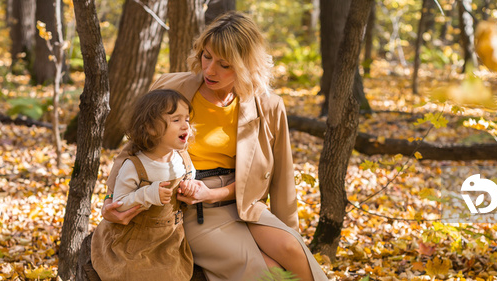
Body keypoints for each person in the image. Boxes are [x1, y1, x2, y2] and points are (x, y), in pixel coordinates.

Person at [101, 11, 328, 281]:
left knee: (292, 250)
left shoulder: (268, 105)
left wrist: (289, 229)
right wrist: (110, 201)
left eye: (224, 64)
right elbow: (134, 149)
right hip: (191, 211)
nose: (210, 70)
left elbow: (282, 179)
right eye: (206, 57)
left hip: (245, 204)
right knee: (267, 272)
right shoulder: (171, 87)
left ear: (245, 65)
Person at [91, 89, 197, 281]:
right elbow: (120, 203)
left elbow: (191, 178)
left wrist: (191, 186)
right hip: (132, 242)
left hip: (168, 239)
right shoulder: (135, 166)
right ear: (151, 128)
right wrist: (147, 194)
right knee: (132, 274)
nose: (185, 126)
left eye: (187, 120)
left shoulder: (183, 159)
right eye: (176, 120)